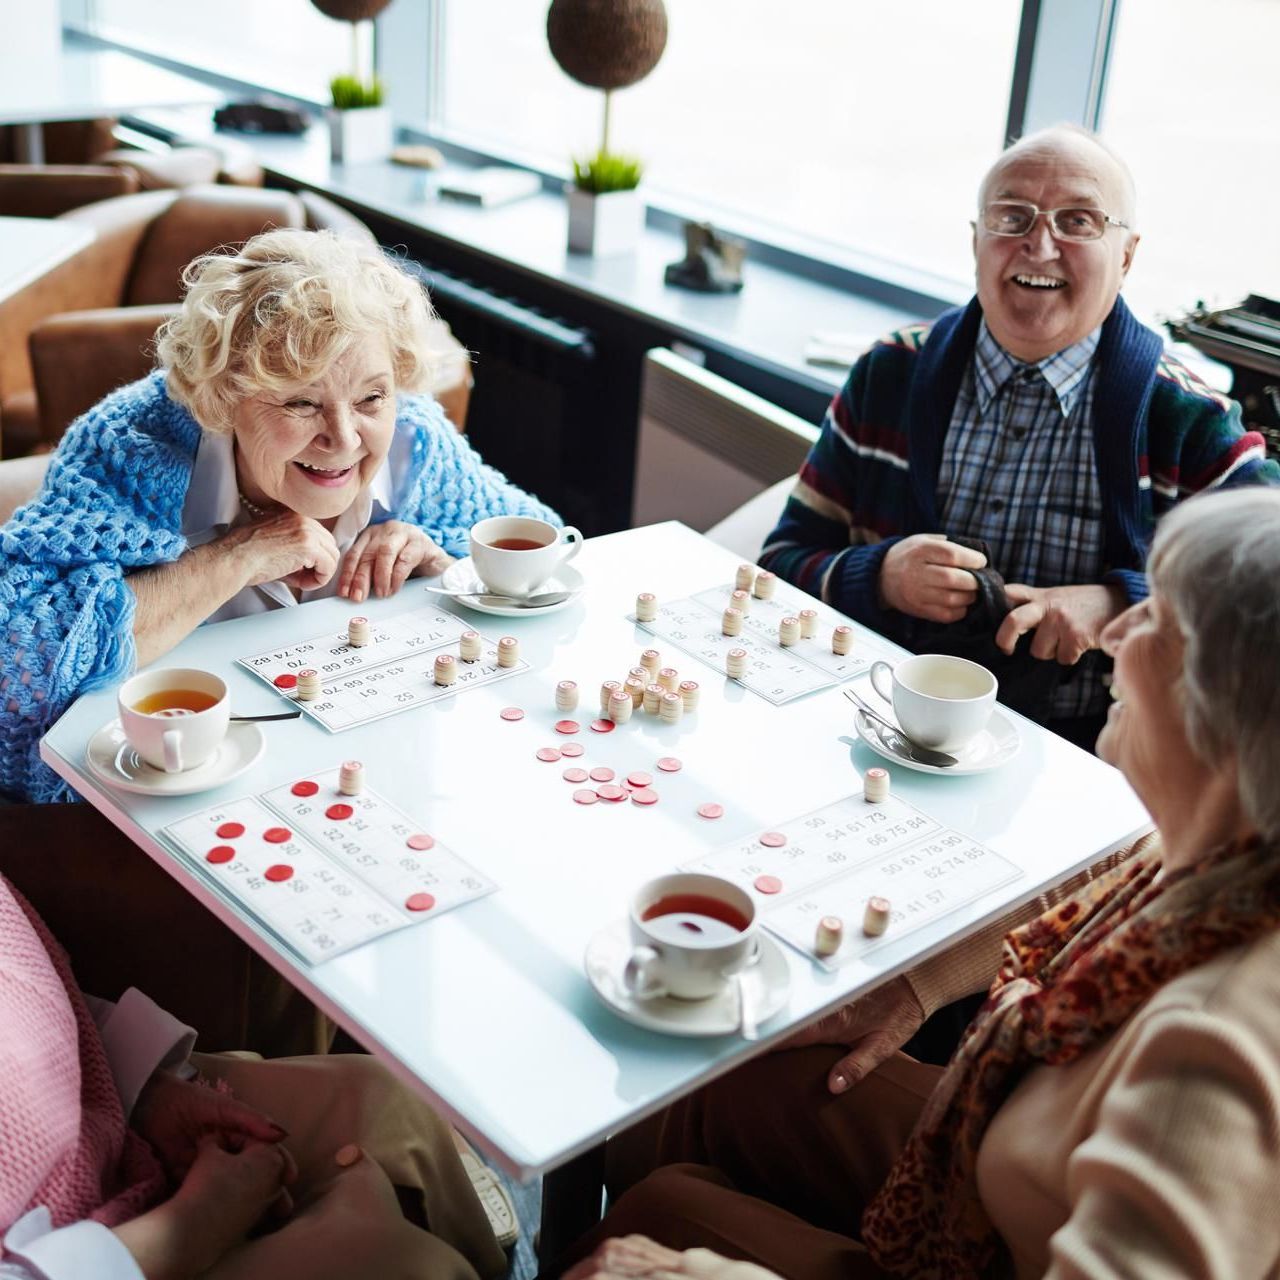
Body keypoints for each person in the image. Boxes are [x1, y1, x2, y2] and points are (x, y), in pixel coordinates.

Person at [563, 487, 1280, 1278]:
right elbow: (1095, 871)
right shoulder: (1225, 849)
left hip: (1012, 1246)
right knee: (725, 1074)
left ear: (1226, 704)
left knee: (650, 1221)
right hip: (1004, 1152)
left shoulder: (1218, 1048)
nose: (1113, 629)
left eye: (1156, 620)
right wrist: (913, 987)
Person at [760, 124, 1279, 749]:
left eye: (1079, 220)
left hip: (1087, 758)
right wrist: (880, 576)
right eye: (1012, 217)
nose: (1039, 244)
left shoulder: (1189, 420)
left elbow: (1264, 613)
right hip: (877, 729)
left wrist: (1122, 605)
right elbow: (779, 565)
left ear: (1128, 254)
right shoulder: (889, 373)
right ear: (976, 238)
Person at [0, 227, 557, 804]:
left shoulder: (418, 444)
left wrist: (445, 570)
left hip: (367, 779)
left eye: (371, 398)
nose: (343, 440)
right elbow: (14, 669)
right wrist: (239, 556)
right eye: (300, 402)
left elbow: (545, 571)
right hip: (174, 801)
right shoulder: (126, 447)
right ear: (224, 397)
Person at [0, 866, 508, 1279]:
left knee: (384, 1096)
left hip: (96, 1110)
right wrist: (190, 1228)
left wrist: (146, 1092)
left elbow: (34, 994)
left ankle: (498, 1265)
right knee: (409, 1266)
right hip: (105, 1253)